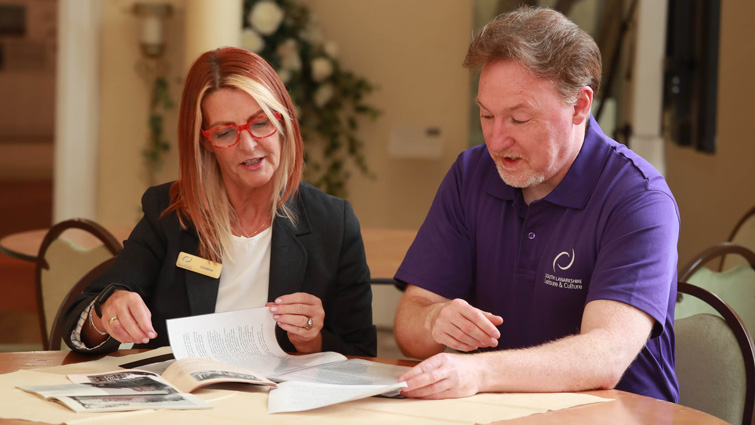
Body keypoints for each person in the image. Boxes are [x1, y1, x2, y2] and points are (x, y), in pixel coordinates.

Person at [393, 6, 679, 402]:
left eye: (519, 119)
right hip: (500, 410)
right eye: (486, 115)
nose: (496, 140)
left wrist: (478, 371)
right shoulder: (470, 173)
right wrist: (434, 319)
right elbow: (410, 322)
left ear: (580, 106)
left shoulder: (639, 197)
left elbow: (605, 355)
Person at [62, 47, 376, 357]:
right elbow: (79, 323)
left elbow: (362, 354)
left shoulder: (332, 221)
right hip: (186, 401)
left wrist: (313, 342)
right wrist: (108, 312)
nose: (249, 145)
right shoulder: (170, 213)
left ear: (284, 122)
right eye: (225, 132)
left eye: (261, 123)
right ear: (206, 143)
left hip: (281, 404)